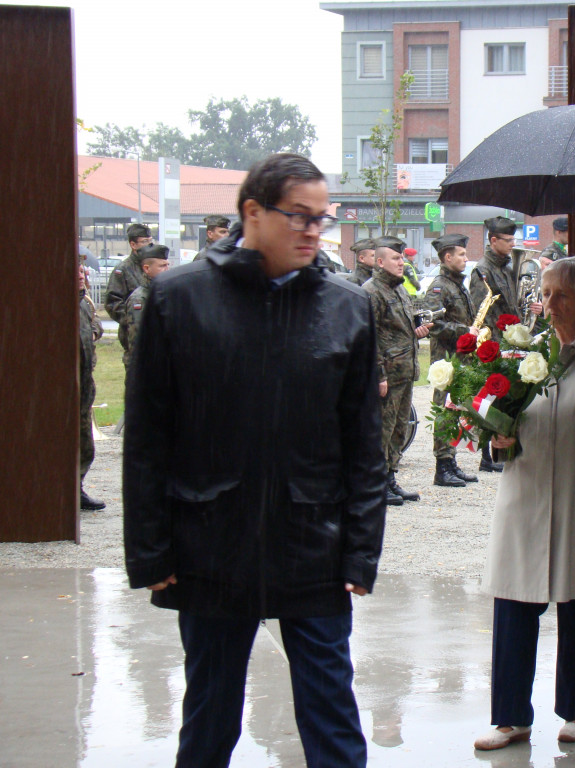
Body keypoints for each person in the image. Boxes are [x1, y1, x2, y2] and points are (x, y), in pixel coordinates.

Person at [123, 153, 386, 768]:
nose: (312, 231)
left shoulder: (347, 306)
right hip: (211, 540)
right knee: (210, 715)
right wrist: (151, 552)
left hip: (313, 543)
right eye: (299, 216)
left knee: (332, 717)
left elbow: (364, 446)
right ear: (252, 212)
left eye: (322, 219)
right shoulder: (177, 299)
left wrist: (361, 549)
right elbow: (148, 439)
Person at [474, 256, 575, 751]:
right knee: (514, 601)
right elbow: (509, 409)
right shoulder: (532, 346)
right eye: (546, 293)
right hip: (528, 489)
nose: (549, 304)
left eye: (561, 295)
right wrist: (497, 435)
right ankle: (509, 717)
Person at [364, 235, 432, 506]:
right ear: (380, 261)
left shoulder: (400, 289)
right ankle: (377, 484)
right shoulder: (373, 291)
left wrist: (418, 330)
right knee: (384, 428)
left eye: (402, 257)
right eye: (396, 258)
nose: (402, 262)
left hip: (404, 371)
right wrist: (378, 375)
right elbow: (370, 337)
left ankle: (390, 478)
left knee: (399, 429)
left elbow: (399, 330)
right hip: (388, 375)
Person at [423, 233, 480, 487]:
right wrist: (464, 331)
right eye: (462, 254)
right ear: (448, 257)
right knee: (444, 411)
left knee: (455, 409)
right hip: (445, 361)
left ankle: (451, 461)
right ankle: (442, 465)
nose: (466, 259)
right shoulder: (439, 286)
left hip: (460, 358)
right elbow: (432, 324)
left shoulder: (458, 284)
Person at [470, 216, 520, 473]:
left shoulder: (506, 268)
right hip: (495, 343)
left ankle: (498, 451)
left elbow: (511, 305)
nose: (513, 244)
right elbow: (483, 312)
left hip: (510, 339)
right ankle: (487, 456)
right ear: (493, 240)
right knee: (491, 396)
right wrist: (495, 345)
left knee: (506, 396)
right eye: (509, 240)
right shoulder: (483, 270)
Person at [104, 222, 152, 375]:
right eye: (144, 241)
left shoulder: (153, 265)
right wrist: (133, 319)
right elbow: (112, 303)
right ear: (133, 244)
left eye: (150, 240)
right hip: (133, 337)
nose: (149, 245)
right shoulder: (123, 270)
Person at [79, 264, 105, 511]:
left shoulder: (84, 302)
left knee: (85, 443)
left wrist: (95, 331)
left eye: (82, 272)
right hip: (67, 382)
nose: (80, 276)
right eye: (74, 273)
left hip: (85, 382)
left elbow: (97, 325)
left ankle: (77, 487)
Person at [123, 243, 170, 369]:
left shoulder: (163, 293)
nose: (167, 269)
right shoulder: (140, 299)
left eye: (167, 265)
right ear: (146, 268)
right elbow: (137, 341)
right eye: (162, 266)